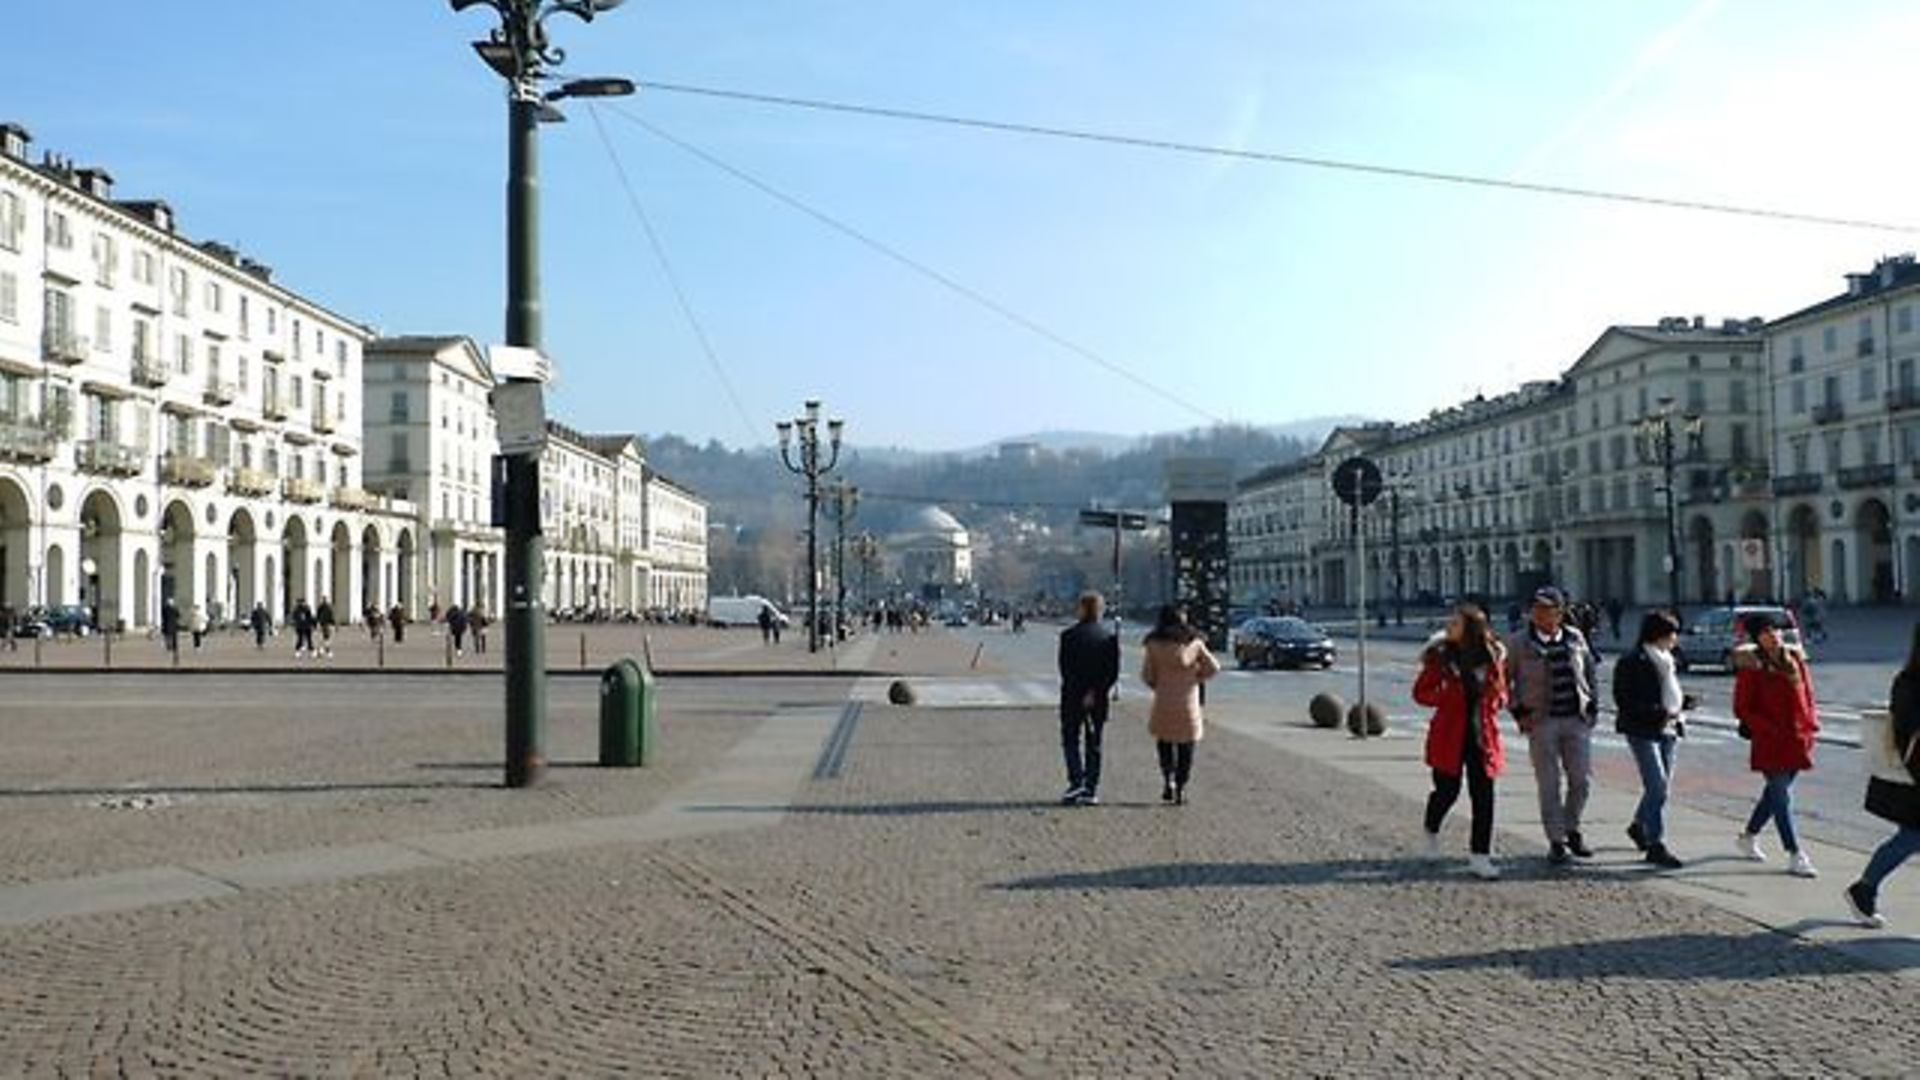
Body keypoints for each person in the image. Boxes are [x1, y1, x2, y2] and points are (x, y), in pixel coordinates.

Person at [1415, 603, 1509, 880]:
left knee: (1484, 797)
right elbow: (1421, 693)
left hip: (1482, 735)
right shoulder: (1440, 657)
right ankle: (1431, 831)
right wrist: (1445, 695)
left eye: (1455, 623)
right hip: (1449, 735)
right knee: (1447, 792)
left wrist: (1497, 700)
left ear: (1470, 629)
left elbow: (1502, 691)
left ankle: (1480, 856)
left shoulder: (1492, 656)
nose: (1448, 627)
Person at [1507, 586, 1600, 866]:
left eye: (1547, 609)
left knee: (1581, 781)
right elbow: (1504, 680)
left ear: (1559, 613)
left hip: (1575, 719)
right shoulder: (1519, 643)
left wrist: (1592, 704)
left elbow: (1589, 673)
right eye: (1536, 608)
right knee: (1548, 784)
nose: (1539, 613)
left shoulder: (1575, 638)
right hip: (1541, 720)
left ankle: (1572, 827)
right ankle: (1556, 840)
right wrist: (1518, 711)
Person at [1733, 612, 1821, 878]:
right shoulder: (1752, 666)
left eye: (1776, 630)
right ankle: (1795, 853)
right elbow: (1742, 707)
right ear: (1757, 638)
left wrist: (1812, 722)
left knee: (1773, 795)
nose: (1773, 635)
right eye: (1766, 632)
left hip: (1797, 737)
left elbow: (1808, 693)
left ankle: (1748, 835)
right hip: (1770, 740)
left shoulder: (1794, 659)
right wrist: (1766, 728)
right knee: (1782, 796)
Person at [1847, 622, 1920, 927]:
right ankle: (1863, 889)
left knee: (1910, 838)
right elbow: (1907, 731)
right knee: (1910, 838)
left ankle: (1864, 889)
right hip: (1917, 776)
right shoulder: (1909, 682)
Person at [1613, 610, 1695, 869]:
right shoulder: (1632, 661)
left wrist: (1684, 703)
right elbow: (1625, 700)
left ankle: (1639, 825)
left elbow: (1667, 691)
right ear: (1657, 634)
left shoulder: (1667, 659)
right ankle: (1656, 844)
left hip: (1670, 728)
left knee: (1658, 788)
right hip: (1642, 730)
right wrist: (1659, 712)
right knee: (1658, 787)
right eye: (1672, 633)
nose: (1675, 639)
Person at [1140, 605, 1220, 805]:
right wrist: (1196, 677)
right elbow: (1214, 667)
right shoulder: (1194, 643)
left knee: (1164, 742)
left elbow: (1147, 675)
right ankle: (1181, 787)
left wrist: (1160, 685)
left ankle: (1168, 780)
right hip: (1188, 701)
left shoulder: (1154, 643)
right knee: (1187, 745)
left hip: (1164, 701)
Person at [1057, 591, 1120, 806]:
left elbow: (1065, 670)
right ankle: (1091, 788)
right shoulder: (1109, 638)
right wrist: (1095, 691)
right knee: (1095, 743)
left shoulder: (1068, 636)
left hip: (1072, 696)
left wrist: (1081, 692)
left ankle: (1076, 781)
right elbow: (1112, 672)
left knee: (1070, 740)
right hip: (1098, 698)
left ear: (1081, 609)